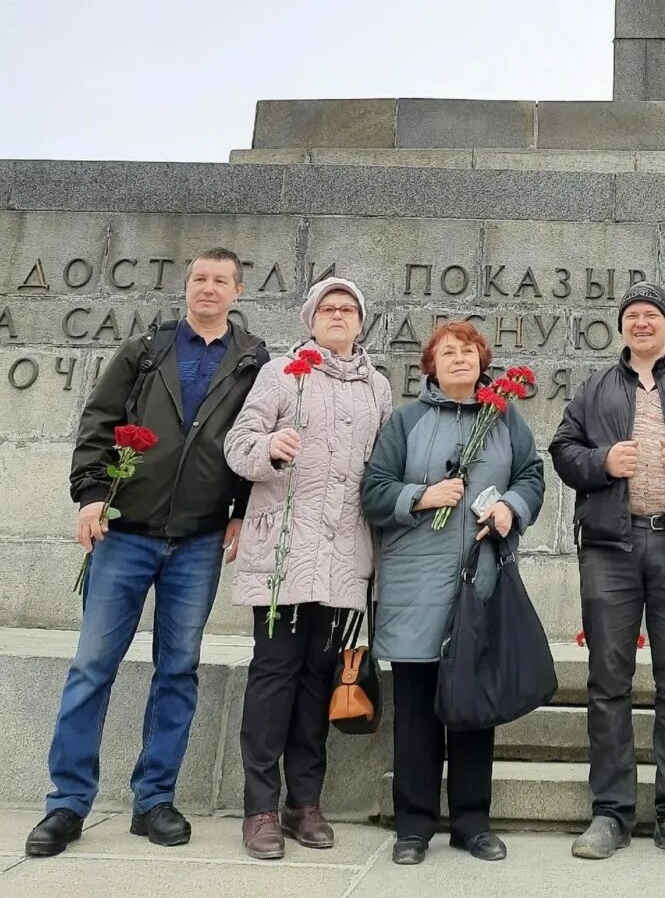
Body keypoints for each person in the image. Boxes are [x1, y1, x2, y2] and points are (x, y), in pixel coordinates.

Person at [25, 249, 269, 859]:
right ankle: (67, 803)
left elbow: (252, 439)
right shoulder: (145, 349)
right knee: (91, 668)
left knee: (177, 670)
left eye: (219, 280)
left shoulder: (254, 360)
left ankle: (154, 799)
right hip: (125, 531)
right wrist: (89, 495)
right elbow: (100, 421)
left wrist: (239, 510)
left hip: (200, 539)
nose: (207, 288)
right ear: (187, 287)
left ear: (237, 291)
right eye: (198, 279)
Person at [550, 281, 665, 863]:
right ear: (622, 327)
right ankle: (610, 813)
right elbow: (562, 449)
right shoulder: (595, 387)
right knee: (608, 681)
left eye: (651, 315)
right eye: (632, 316)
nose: (641, 323)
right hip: (610, 545)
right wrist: (601, 462)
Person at [361, 320, 545, 867]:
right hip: (416, 586)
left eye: (469, 351)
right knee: (416, 709)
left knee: (473, 707)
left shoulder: (506, 418)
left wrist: (512, 506)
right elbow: (373, 490)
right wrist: (422, 495)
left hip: (480, 580)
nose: (460, 358)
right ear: (431, 365)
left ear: (483, 361)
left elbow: (533, 475)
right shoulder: (407, 420)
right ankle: (413, 826)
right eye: (448, 351)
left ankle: (471, 822)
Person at [224, 276, 391, 860]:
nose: (339, 315)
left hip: (346, 558)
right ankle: (260, 808)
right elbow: (238, 446)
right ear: (310, 319)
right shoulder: (280, 374)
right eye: (329, 307)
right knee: (273, 677)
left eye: (349, 308)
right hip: (283, 554)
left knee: (320, 682)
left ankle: (304, 802)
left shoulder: (378, 388)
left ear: (361, 322)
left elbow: (381, 468)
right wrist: (271, 448)